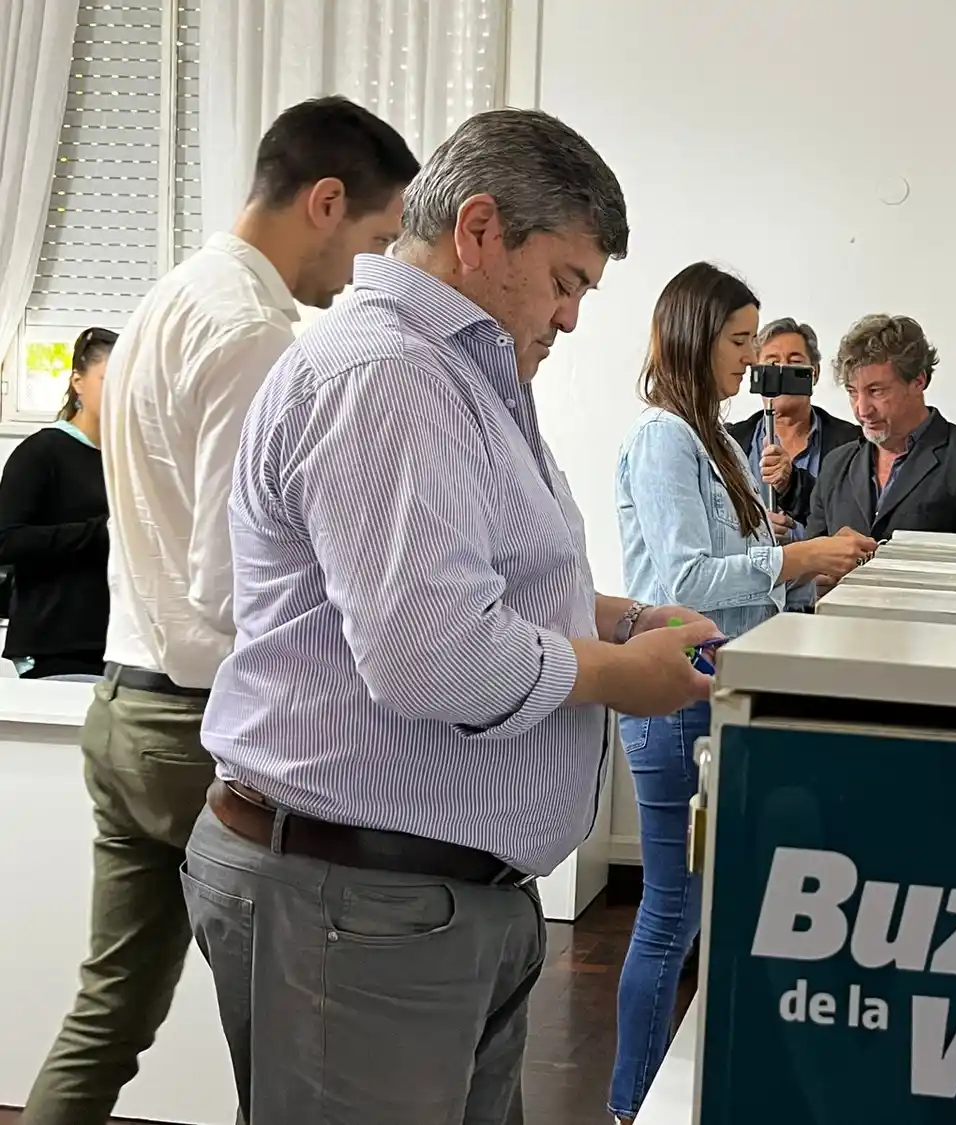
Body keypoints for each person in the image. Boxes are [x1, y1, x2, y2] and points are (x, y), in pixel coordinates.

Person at [180, 109, 722, 1125]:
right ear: (479, 231)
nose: (569, 319)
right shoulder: (389, 376)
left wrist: (619, 619)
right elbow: (433, 654)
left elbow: (479, 583)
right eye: (564, 281)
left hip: (416, 900)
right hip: (360, 903)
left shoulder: (454, 375)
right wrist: (620, 675)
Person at [21, 98, 418, 1125]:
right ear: (325, 202)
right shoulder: (255, 335)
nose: (367, 271)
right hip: (202, 730)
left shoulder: (167, 299)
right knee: (296, 1041)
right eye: (376, 238)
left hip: (126, 707)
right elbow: (231, 585)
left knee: (110, 1012)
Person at [611, 263, 874, 1123]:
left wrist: (809, 566)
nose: (751, 360)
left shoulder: (722, 444)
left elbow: (748, 583)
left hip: (719, 690)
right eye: (738, 341)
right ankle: (630, 1102)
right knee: (671, 915)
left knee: (704, 911)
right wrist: (793, 558)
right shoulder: (665, 439)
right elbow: (688, 578)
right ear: (692, 338)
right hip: (674, 694)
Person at [806, 313, 956, 544]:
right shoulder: (835, 466)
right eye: (852, 392)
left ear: (918, 381)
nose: (862, 410)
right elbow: (810, 561)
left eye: (876, 391)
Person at [0, 327, 116, 679]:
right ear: (78, 382)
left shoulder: (126, 458)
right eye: (108, 379)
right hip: (54, 644)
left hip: (114, 646)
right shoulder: (42, 452)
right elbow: (6, 541)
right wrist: (103, 532)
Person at [726, 316, 861, 544]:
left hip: (823, 565)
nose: (782, 372)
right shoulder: (730, 441)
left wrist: (793, 485)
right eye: (772, 364)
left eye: (794, 362)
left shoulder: (852, 442)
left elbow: (853, 517)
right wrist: (751, 531)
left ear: (814, 373)